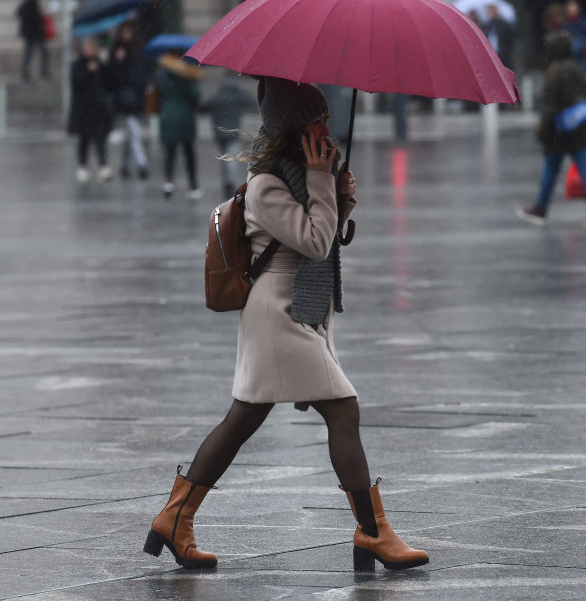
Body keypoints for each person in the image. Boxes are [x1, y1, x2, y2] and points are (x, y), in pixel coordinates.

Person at [142, 76, 429, 573]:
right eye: (316, 117)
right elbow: (315, 244)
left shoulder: (299, 173)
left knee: (242, 420)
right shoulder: (267, 184)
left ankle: (175, 517)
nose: (326, 125)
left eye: (325, 116)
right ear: (294, 125)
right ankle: (372, 531)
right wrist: (323, 185)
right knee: (343, 410)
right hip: (278, 316)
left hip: (296, 312)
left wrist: (338, 194)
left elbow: (322, 235)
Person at [515, 32, 586, 228]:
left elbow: (549, 106)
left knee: (550, 170)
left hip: (557, 131)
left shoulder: (553, 71)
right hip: (579, 129)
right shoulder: (577, 69)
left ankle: (541, 208)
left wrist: (543, 130)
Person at [156, 49, 202, 199]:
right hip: (184, 115)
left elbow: (157, 93)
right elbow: (194, 95)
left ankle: (168, 182)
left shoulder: (162, 73)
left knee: (170, 151)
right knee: (188, 152)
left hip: (167, 114)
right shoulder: (187, 74)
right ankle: (192, 184)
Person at [67, 38, 114, 183]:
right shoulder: (78, 65)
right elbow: (76, 83)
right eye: (88, 47)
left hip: (98, 109)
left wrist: (102, 65)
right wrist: (88, 71)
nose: (90, 50)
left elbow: (110, 81)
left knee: (100, 139)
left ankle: (103, 166)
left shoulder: (99, 63)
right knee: (84, 140)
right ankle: (82, 167)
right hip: (83, 109)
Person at [200, 77, 256, 198]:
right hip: (233, 133)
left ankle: (227, 181)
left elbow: (202, 108)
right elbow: (251, 100)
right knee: (231, 158)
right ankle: (229, 182)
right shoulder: (237, 97)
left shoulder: (217, 97)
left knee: (224, 158)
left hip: (219, 134)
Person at [107, 22, 149, 179]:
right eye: (123, 32)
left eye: (128, 32)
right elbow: (112, 78)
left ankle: (124, 165)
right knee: (133, 132)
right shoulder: (116, 51)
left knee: (130, 133)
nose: (126, 35)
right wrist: (118, 61)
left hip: (136, 97)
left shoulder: (137, 51)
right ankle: (142, 163)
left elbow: (140, 76)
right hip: (124, 99)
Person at [523, 0, 563, 66]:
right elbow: (527, 3)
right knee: (538, 41)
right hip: (537, 19)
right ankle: (540, 60)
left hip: (549, 18)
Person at [15, 0, 49, 82]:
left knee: (31, 53)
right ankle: (38, 72)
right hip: (34, 34)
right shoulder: (31, 4)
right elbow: (31, 18)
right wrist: (38, 18)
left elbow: (20, 14)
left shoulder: (28, 4)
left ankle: (27, 72)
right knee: (38, 53)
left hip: (32, 34)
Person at [561, 0, 586, 69]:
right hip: (570, 55)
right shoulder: (565, 24)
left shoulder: (585, 22)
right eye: (570, 9)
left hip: (582, 53)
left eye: (574, 9)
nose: (572, 11)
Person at [481, 3, 515, 69]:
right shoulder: (487, 26)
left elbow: (509, 38)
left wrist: (507, 50)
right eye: (490, 11)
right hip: (491, 54)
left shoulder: (504, 24)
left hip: (503, 54)